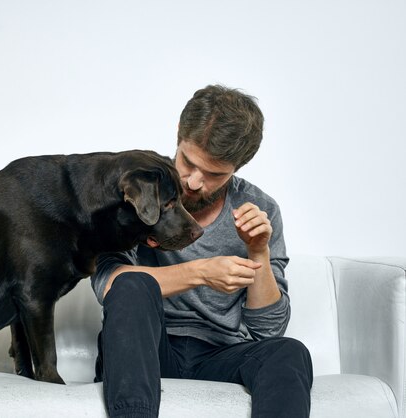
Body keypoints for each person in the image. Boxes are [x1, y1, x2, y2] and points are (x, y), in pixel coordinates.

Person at [90, 85, 313, 418]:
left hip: (221, 356)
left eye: (214, 174)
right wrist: (201, 272)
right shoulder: (137, 192)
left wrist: (258, 252)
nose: (194, 182)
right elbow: (110, 285)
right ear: (179, 136)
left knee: (290, 353)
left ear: (238, 167)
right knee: (133, 283)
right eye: (188, 163)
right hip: (147, 350)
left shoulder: (260, 208)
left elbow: (268, 331)